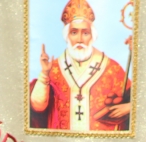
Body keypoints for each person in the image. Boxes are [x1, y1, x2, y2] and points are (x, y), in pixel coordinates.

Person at [29, 0, 132, 131]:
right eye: (74, 32)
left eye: (85, 33)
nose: (79, 39)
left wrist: (129, 107)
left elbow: (137, 101)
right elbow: (37, 108)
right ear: (67, 35)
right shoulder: (53, 69)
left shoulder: (112, 69)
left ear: (92, 36)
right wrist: (44, 75)